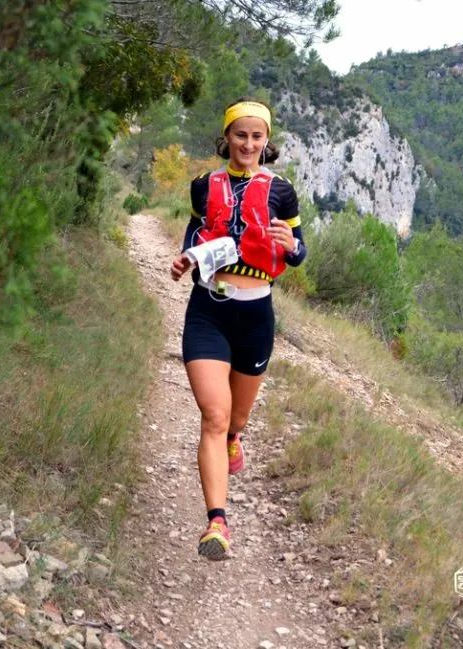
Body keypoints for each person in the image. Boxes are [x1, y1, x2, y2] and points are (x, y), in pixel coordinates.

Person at [170, 97, 307, 560]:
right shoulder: (203, 185)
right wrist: (186, 256)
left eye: (256, 136)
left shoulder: (282, 191)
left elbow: (298, 247)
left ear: (266, 141)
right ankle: (217, 524)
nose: (248, 143)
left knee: (236, 420)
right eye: (240, 134)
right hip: (208, 308)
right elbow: (195, 231)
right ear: (226, 137)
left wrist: (293, 248)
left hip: (256, 314)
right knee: (213, 414)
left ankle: (233, 439)